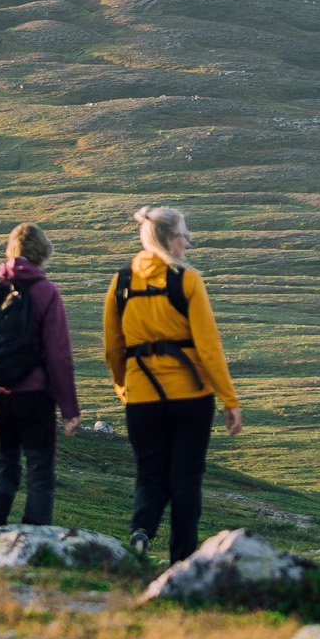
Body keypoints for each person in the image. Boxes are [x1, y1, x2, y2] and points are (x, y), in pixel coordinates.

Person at [102, 205, 241, 567]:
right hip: (190, 398)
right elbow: (209, 347)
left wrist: (124, 386)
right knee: (186, 479)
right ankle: (182, 560)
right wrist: (230, 399)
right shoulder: (187, 280)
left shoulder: (121, 282)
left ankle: (142, 531)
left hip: (141, 398)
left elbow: (113, 348)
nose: (187, 243)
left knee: (150, 472)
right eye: (184, 235)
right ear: (168, 239)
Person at [0, 222, 83, 534]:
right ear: (42, 253)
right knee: (39, 472)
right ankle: (35, 541)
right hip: (34, 395)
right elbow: (58, 356)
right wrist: (70, 410)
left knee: (3, 468)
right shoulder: (46, 292)